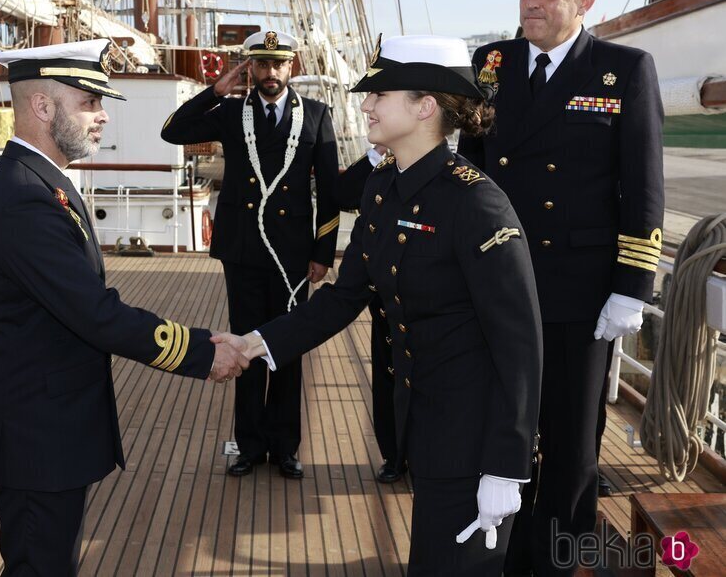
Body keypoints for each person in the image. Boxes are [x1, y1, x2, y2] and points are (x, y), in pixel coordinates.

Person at [216, 35, 543, 575]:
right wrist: (256, 343)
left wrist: (506, 467)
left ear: (425, 107)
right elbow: (345, 298)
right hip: (424, 421)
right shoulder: (383, 188)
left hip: (474, 435)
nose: (365, 105)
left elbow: (520, 345)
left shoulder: (477, 203)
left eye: (379, 94)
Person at [0, 39, 249, 576]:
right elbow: (94, 313)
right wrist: (200, 351)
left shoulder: (40, 182)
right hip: (37, 438)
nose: (100, 118)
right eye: (88, 103)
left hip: (50, 431)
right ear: (42, 106)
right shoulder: (24, 196)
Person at [456, 0, 664, 575]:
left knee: (572, 444)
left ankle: (558, 558)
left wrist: (634, 285)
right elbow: (471, 167)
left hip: (581, 289)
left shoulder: (623, 69)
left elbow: (643, 185)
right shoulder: (491, 63)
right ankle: (503, 553)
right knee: (501, 427)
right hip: (499, 282)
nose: (531, 2)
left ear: (586, 0)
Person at [161, 30, 340, 479]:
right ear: (251, 69)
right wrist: (213, 91)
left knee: (288, 348)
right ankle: (248, 445)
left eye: (278, 64)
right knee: (243, 346)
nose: (270, 74)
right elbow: (173, 131)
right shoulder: (229, 110)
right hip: (242, 250)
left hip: (293, 255)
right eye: (261, 65)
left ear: (291, 66)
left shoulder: (317, 116)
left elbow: (330, 194)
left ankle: (285, 447)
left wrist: (323, 252)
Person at [334, 145, 405, 483]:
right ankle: (394, 455)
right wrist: (377, 156)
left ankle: (421, 456)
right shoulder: (380, 166)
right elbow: (342, 195)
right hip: (385, 296)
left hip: (428, 299)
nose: (368, 108)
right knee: (387, 373)